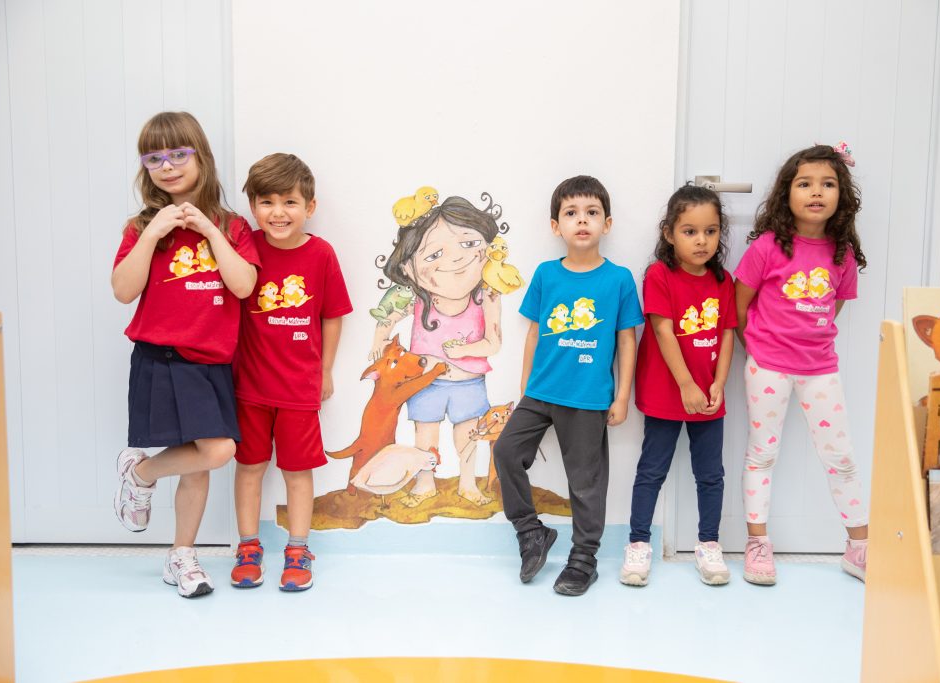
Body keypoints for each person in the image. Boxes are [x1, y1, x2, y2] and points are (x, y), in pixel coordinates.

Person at [111, 111, 260, 598]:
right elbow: (122, 291)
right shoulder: (140, 228)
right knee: (201, 458)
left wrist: (211, 233)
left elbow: (243, 285)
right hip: (158, 356)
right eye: (154, 158)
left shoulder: (231, 225)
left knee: (214, 452)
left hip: (208, 361)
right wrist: (152, 235)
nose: (167, 166)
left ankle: (140, 473)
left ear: (201, 157)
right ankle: (183, 558)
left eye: (178, 154)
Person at [494, 175, 643, 596]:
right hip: (541, 392)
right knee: (506, 451)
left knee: (586, 481)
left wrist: (622, 395)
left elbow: (627, 339)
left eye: (592, 213)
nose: (582, 221)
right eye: (572, 213)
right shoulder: (546, 274)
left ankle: (584, 558)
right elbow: (535, 332)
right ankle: (530, 533)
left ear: (607, 224)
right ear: (556, 226)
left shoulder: (618, 280)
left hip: (588, 398)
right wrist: (525, 388)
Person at [734, 142, 869, 584]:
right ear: (786, 193)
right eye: (805, 183)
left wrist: (809, 339)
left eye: (828, 184)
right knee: (762, 454)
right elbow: (741, 306)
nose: (817, 192)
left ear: (841, 196)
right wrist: (757, 347)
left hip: (820, 370)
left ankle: (859, 547)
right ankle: (757, 544)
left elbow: (835, 307)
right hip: (768, 367)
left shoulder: (842, 253)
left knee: (842, 457)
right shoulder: (768, 248)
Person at [229, 153, 352, 592]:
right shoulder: (245, 250)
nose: (278, 212)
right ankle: (248, 547)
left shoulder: (320, 254)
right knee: (249, 467)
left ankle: (298, 548)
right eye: (266, 202)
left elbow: (333, 315)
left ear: (309, 207)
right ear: (252, 206)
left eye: (289, 202)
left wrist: (325, 371)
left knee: (298, 472)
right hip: (248, 388)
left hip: (299, 389)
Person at [621, 185, 736, 587]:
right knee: (652, 470)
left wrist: (719, 382)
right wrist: (686, 384)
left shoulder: (724, 281)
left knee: (711, 475)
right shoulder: (659, 275)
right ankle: (638, 544)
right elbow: (662, 329)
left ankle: (709, 544)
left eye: (710, 230)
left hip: (708, 395)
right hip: (668, 392)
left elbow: (725, 335)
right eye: (690, 231)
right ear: (669, 233)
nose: (701, 240)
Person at [369, 195, 504, 506]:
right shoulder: (418, 296)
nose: (454, 260)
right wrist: (379, 339)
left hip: (469, 381)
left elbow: (494, 344)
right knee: (425, 435)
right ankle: (425, 483)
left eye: (469, 245)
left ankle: (468, 483)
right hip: (426, 380)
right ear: (410, 268)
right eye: (434, 255)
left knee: (467, 436)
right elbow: (388, 316)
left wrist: (464, 350)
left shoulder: (488, 294)